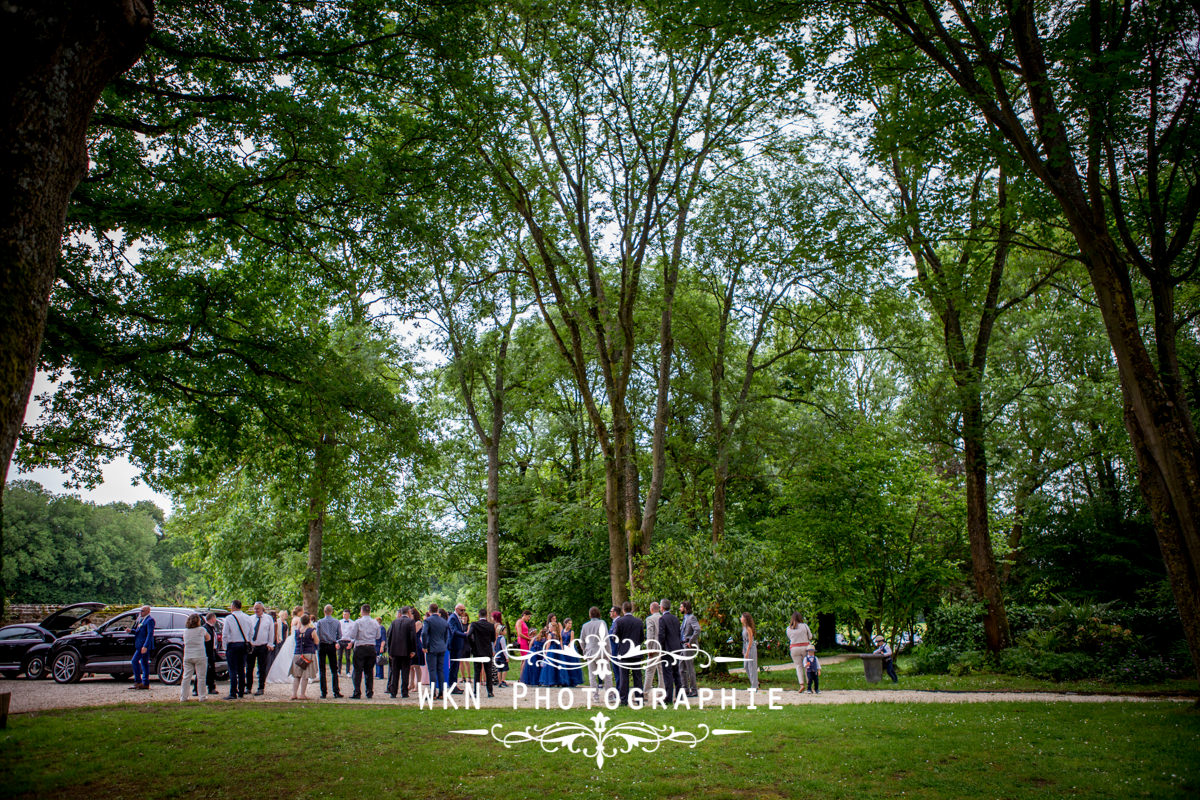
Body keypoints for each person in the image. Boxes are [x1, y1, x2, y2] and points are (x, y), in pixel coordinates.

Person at [613, 601, 644, 705]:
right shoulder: (639, 622)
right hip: (635, 652)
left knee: (624, 677)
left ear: (623, 610)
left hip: (624, 652)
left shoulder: (620, 622)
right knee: (637, 677)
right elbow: (642, 637)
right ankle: (639, 699)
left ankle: (624, 699)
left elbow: (615, 637)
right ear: (631, 609)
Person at [349, 604, 381, 699]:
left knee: (358, 671)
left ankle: (357, 692)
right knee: (369, 671)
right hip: (371, 647)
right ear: (369, 611)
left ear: (362, 611)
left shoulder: (358, 622)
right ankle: (369, 691)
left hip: (360, 647)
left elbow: (352, 635)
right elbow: (378, 636)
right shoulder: (375, 623)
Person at [223, 600, 253, 699]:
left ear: (234, 607)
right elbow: (251, 632)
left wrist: (224, 647)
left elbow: (225, 634)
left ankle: (233, 692)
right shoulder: (247, 618)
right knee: (241, 669)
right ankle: (241, 691)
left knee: (232, 670)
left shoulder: (229, 618)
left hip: (233, 645)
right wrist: (249, 642)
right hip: (244, 644)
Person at [246, 601, 276, 696]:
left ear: (262, 609)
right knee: (249, 667)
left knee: (262, 667)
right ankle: (248, 687)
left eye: (258, 608)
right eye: (255, 608)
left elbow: (271, 631)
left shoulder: (268, 618)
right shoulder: (250, 619)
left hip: (263, 645)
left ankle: (261, 687)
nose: (256, 610)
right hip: (252, 645)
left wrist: (270, 643)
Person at [580, 606, 610, 700]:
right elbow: (606, 639)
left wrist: (585, 650)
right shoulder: (602, 623)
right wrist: (609, 652)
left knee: (592, 676)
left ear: (590, 615)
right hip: (601, 652)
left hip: (590, 652)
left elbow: (581, 640)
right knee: (606, 675)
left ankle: (595, 696)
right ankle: (610, 696)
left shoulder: (585, 626)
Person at [421, 604, 450, 699]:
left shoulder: (427, 621)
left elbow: (424, 633)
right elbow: (447, 635)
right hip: (442, 647)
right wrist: (444, 644)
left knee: (432, 670)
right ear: (437, 610)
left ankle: (433, 693)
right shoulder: (444, 621)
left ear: (429, 611)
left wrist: (424, 646)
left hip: (432, 648)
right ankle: (441, 692)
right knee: (440, 670)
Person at [387, 607, 416, 698]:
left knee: (394, 672)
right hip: (406, 651)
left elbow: (390, 637)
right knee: (405, 672)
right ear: (408, 612)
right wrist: (413, 650)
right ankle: (404, 692)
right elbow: (412, 637)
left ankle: (393, 692)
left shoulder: (394, 622)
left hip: (395, 651)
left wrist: (389, 651)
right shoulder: (411, 622)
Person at [179, 613, 210, 702]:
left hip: (188, 655)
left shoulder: (185, 631)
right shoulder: (201, 630)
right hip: (199, 655)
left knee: (186, 677)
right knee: (201, 677)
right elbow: (208, 638)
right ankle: (202, 696)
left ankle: (183, 697)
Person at [467, 607, 496, 697]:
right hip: (487, 650)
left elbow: (468, 635)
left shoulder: (474, 624)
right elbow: (493, 639)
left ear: (479, 615)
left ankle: (476, 691)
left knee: (477, 671)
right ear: (486, 615)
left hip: (477, 650)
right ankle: (490, 691)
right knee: (488, 672)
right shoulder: (491, 626)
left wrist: (473, 644)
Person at [658, 599, 683, 702]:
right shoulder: (675, 618)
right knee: (676, 673)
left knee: (667, 674)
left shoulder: (662, 619)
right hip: (676, 648)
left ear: (662, 607)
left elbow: (662, 635)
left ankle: (668, 697)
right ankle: (679, 695)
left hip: (667, 649)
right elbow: (678, 633)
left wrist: (661, 648)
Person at [316, 605, 343, 698]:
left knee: (322, 669)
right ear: (331, 611)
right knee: (334, 669)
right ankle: (336, 691)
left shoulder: (320, 622)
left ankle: (323, 692)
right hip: (332, 645)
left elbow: (317, 635)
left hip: (322, 645)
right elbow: (340, 635)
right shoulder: (336, 622)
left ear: (324, 611)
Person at [290, 614, 319, 700]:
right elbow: (316, 641)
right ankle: (302, 694)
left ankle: (294, 694)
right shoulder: (311, 631)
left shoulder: (297, 631)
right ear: (309, 621)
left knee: (297, 675)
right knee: (305, 675)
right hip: (308, 654)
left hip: (297, 653)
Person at [130, 605, 155, 690]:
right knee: (144, 663)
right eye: (141, 611)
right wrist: (131, 631)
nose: (141, 612)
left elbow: (149, 634)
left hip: (143, 645)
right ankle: (145, 683)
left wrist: (145, 646)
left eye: (142, 611)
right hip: (139, 644)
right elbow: (138, 631)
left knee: (134, 661)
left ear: (148, 611)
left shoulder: (150, 620)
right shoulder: (141, 619)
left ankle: (138, 681)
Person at [787, 613, 814, 691]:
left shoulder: (789, 628)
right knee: (807, 666)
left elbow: (789, 638)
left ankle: (801, 684)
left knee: (798, 666)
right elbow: (810, 636)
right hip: (805, 647)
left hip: (794, 648)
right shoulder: (804, 626)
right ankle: (809, 684)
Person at [679, 601, 700, 697]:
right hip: (683, 646)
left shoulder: (691, 618)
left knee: (689, 668)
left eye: (681, 607)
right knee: (681, 668)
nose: (680, 609)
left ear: (686, 608)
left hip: (688, 646)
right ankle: (685, 689)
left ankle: (694, 690)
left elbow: (697, 629)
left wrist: (690, 642)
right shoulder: (685, 618)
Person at [448, 604, 469, 694]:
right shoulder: (453, 618)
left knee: (455, 666)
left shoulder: (456, 617)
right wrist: (465, 634)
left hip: (457, 645)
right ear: (456, 609)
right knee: (454, 666)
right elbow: (454, 631)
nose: (463, 612)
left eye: (464, 610)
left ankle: (453, 685)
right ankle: (452, 685)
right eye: (461, 610)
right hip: (454, 645)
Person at [643, 601, 663, 692]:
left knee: (650, 670)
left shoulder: (650, 619)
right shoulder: (663, 618)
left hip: (654, 648)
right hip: (663, 648)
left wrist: (649, 649)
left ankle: (645, 692)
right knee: (661, 671)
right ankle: (662, 691)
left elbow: (650, 634)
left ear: (651, 609)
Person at [201, 611, 219, 696]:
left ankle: (211, 687)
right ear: (212, 619)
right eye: (215, 618)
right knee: (207, 670)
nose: (215, 620)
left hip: (212, 651)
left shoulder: (211, 628)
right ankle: (209, 687)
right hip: (207, 652)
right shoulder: (205, 628)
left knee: (211, 670)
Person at [561, 618, 583, 686]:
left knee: (570, 664)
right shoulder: (562, 631)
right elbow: (561, 640)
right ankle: (564, 680)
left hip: (569, 648)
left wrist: (567, 648)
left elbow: (571, 641)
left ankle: (572, 681)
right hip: (563, 648)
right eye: (569, 623)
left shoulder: (571, 632)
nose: (570, 625)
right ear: (565, 624)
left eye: (571, 623)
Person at [741, 612, 758, 691]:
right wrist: (743, 649)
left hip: (750, 648)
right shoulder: (744, 627)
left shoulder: (748, 628)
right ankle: (754, 683)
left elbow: (750, 640)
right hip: (745, 646)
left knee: (751, 667)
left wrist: (747, 651)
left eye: (742, 617)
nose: (740, 618)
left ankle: (754, 686)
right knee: (746, 666)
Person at [410, 607, 426, 690]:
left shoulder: (418, 623)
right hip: (411, 644)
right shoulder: (411, 622)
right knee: (411, 666)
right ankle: (411, 683)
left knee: (416, 666)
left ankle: (418, 684)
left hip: (417, 644)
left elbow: (413, 632)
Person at [493, 614, 509, 688]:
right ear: (501, 631)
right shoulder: (502, 638)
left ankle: (499, 682)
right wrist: (507, 657)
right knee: (505, 669)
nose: (505, 631)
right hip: (502, 656)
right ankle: (503, 680)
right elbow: (504, 648)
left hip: (497, 656)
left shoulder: (497, 639)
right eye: (504, 630)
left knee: (499, 670)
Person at [338, 609, 355, 676]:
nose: (344, 615)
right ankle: (338, 671)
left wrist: (352, 642)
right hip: (341, 640)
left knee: (348, 657)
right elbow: (337, 632)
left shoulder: (352, 623)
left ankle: (348, 671)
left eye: (345, 614)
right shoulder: (339, 622)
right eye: (343, 614)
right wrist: (337, 641)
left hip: (348, 641)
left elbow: (354, 633)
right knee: (339, 657)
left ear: (348, 615)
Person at [374, 616, 387, 680]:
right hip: (375, 646)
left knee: (379, 660)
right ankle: (377, 674)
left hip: (379, 646)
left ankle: (380, 674)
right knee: (377, 660)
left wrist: (382, 647)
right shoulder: (376, 628)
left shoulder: (381, 628)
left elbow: (383, 639)